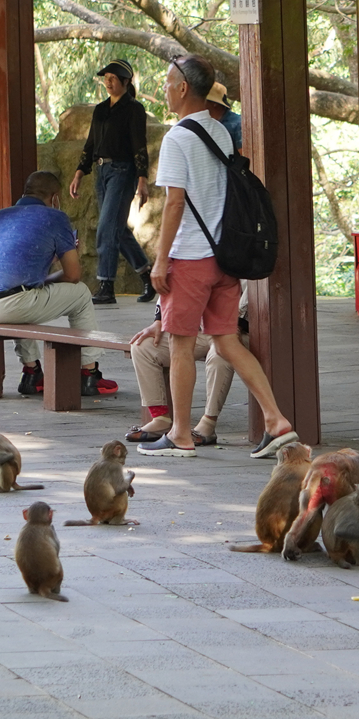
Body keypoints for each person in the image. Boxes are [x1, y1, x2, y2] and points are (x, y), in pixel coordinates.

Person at [143, 55, 298, 459]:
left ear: (181, 88)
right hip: (225, 256)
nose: (163, 89)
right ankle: (276, 420)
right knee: (227, 341)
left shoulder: (177, 138)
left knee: (180, 345)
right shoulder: (221, 132)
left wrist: (161, 261)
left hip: (191, 258)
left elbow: (174, 204)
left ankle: (180, 434)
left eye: (166, 82)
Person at [0, 170, 115, 397]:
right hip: (13, 304)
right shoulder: (56, 218)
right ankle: (89, 373)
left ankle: (32, 372)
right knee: (82, 294)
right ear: (54, 198)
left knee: (23, 296)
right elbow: (73, 275)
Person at [69, 60, 153, 306]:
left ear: (126, 82)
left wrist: (142, 179)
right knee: (116, 228)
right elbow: (91, 143)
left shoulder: (134, 109)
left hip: (122, 171)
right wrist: (79, 173)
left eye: (113, 78)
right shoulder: (100, 109)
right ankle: (147, 275)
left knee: (106, 227)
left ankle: (106, 285)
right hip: (101, 171)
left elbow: (139, 145)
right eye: (106, 77)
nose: (108, 81)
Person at [124, 305, 240, 447]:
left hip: (232, 328)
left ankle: (208, 423)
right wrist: (158, 320)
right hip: (193, 329)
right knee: (142, 347)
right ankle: (161, 419)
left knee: (219, 356)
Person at [205, 82, 243, 154]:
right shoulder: (205, 124)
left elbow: (244, 156)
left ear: (214, 103)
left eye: (203, 100)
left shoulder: (238, 124)